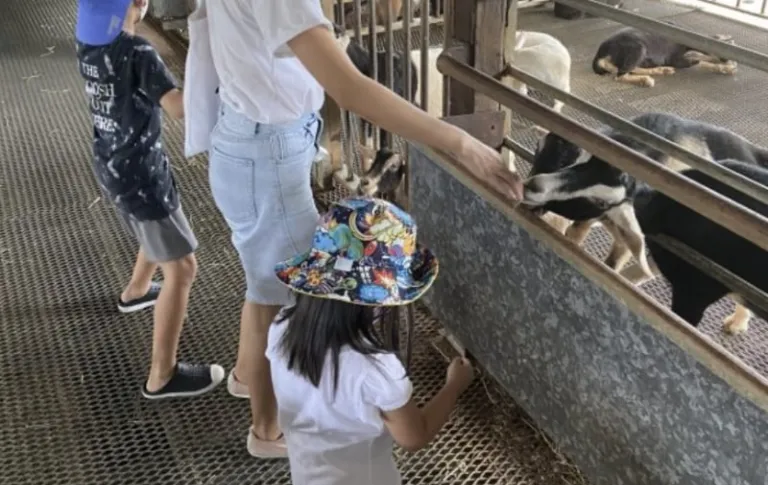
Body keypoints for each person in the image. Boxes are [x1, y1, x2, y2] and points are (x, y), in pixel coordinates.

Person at [206, 0, 522, 457]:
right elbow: (350, 89)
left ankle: (248, 377)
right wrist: (461, 143)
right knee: (283, 302)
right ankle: (267, 430)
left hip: (251, 138)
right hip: (268, 151)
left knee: (265, 287)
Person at [267, 197, 475, 485]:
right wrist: (454, 385)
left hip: (307, 482)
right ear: (379, 299)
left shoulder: (282, 326)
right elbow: (414, 437)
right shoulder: (375, 367)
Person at [75, 0, 224, 398]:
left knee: (153, 228)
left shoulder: (87, 43)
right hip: (142, 174)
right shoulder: (138, 51)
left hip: (112, 164)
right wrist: (217, 71)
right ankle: (162, 375)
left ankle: (137, 291)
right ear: (140, 4)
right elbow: (178, 108)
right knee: (183, 268)